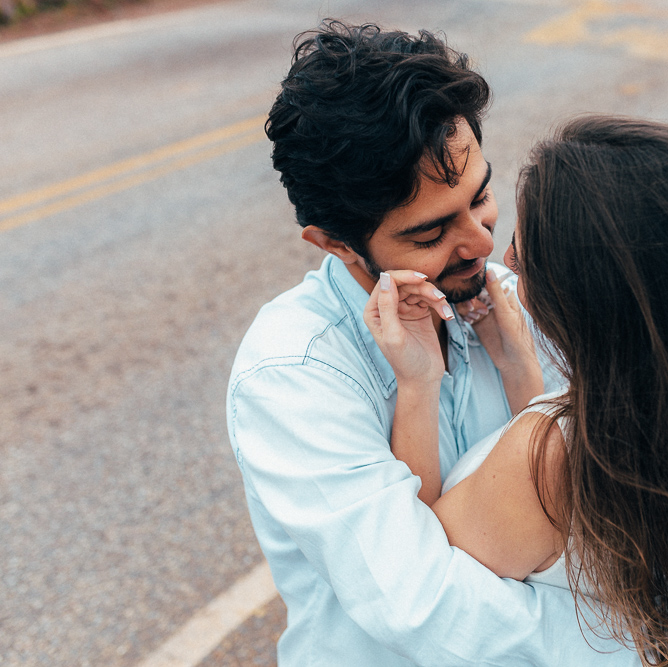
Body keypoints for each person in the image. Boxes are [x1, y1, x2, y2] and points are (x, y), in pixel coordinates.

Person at [226, 20, 640, 667]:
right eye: (431, 233)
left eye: (480, 197)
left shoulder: (514, 297)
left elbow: (591, 523)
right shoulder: (293, 372)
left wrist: (522, 374)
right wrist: (632, 646)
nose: (481, 243)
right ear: (336, 243)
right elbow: (422, 605)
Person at [365, 116, 668, 667]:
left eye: (532, 250)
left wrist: (418, 382)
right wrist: (522, 370)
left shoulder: (547, 455)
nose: (505, 257)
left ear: (589, 296)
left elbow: (421, 572)